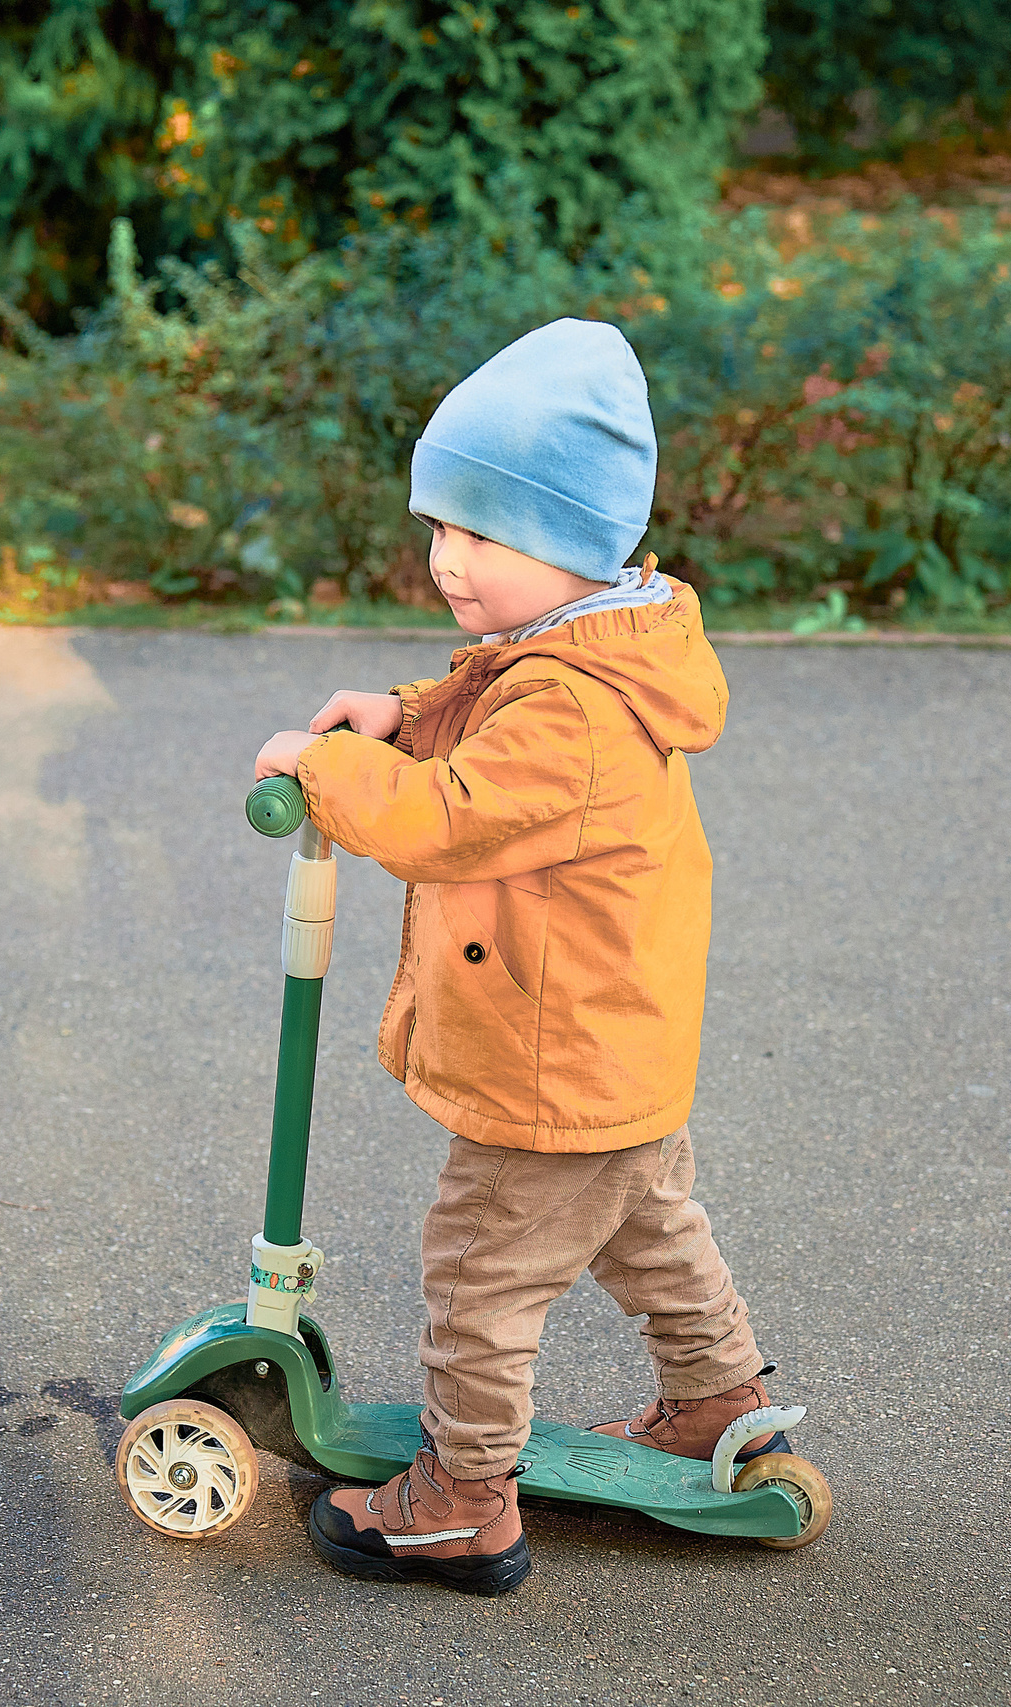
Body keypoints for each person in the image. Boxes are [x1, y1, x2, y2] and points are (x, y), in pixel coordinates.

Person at [251, 318, 780, 1596]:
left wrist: (330, 766)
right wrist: (406, 715)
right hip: (608, 1042)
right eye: (439, 528)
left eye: (484, 535)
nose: (447, 562)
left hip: (552, 1060)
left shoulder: (576, 712)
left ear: (577, 545)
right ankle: (720, 1401)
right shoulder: (587, 651)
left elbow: (449, 817)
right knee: (646, 1223)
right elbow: (485, 711)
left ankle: (461, 1500)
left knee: (481, 1267)